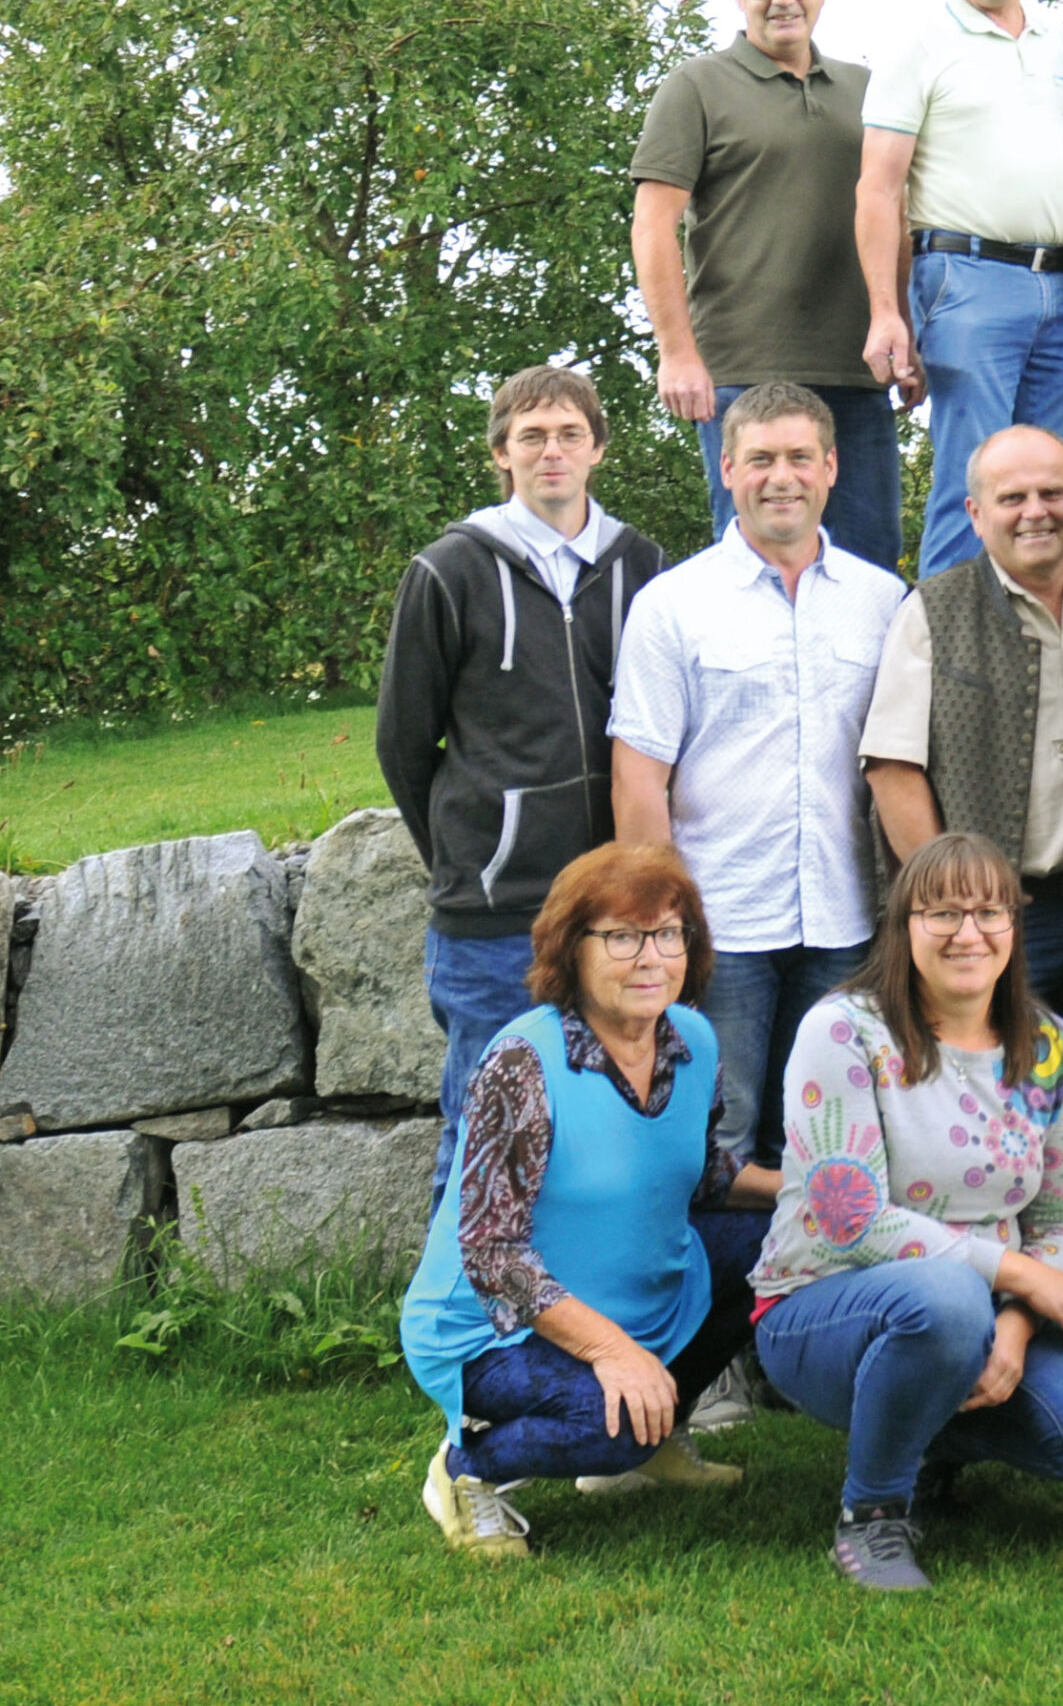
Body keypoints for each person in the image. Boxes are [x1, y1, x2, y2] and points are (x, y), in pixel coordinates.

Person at [750, 833, 1063, 1592]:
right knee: (944, 1296)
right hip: (820, 1306)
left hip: (981, 1309)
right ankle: (872, 1515)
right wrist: (1010, 1275)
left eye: (988, 911)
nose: (968, 932)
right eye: (942, 912)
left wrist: (1016, 1323)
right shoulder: (845, 1030)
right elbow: (850, 1217)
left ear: (1013, 926)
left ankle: (928, 1439)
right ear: (904, 925)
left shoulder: (1047, 1047)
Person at [399, 843, 781, 1559]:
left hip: (638, 1297)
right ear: (570, 950)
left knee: (777, 1239)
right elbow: (491, 1250)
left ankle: (652, 1440)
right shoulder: (526, 1061)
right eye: (623, 936)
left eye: (669, 933)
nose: (651, 957)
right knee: (610, 1424)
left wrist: (799, 1190)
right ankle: (465, 1469)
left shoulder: (690, 1039)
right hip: (492, 1330)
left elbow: (698, 1176)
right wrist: (613, 1351)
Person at [378, 365, 667, 1204]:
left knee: (609, 1123)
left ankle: (583, 1310)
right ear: (500, 453)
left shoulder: (641, 566)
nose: (552, 451)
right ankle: (455, 1326)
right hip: (497, 912)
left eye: (569, 434)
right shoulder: (448, 570)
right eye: (531, 436)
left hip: (617, 904)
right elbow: (403, 741)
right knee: (483, 1124)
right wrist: (473, 847)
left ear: (598, 449)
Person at [609, 382, 906, 1172]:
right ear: (729, 468)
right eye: (762, 458)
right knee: (714, 1144)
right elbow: (638, 780)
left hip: (844, 923)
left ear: (832, 467)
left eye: (800, 456)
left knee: (823, 1142)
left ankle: (807, 1298)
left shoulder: (883, 603)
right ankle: (705, 1300)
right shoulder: (673, 604)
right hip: (720, 924)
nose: (783, 476)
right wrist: (663, 923)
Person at [859, 424, 1063, 1130]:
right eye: (1012, 497)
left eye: (1051, 492)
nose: (1035, 510)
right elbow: (893, 768)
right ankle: (987, 1243)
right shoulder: (933, 607)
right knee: (984, 1108)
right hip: (1004, 916)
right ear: (977, 513)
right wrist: (960, 902)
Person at [855, 0, 1063, 579]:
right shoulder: (919, 41)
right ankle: (950, 662)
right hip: (967, 282)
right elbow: (879, 187)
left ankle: (1041, 660)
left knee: (1053, 491)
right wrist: (888, 313)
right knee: (976, 488)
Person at [630, 0, 899, 571]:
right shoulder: (696, 87)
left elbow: (897, 216)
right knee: (753, 570)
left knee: (869, 573)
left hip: (857, 374)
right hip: (740, 375)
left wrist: (906, 331)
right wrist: (676, 354)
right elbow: (652, 225)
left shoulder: (867, 90)